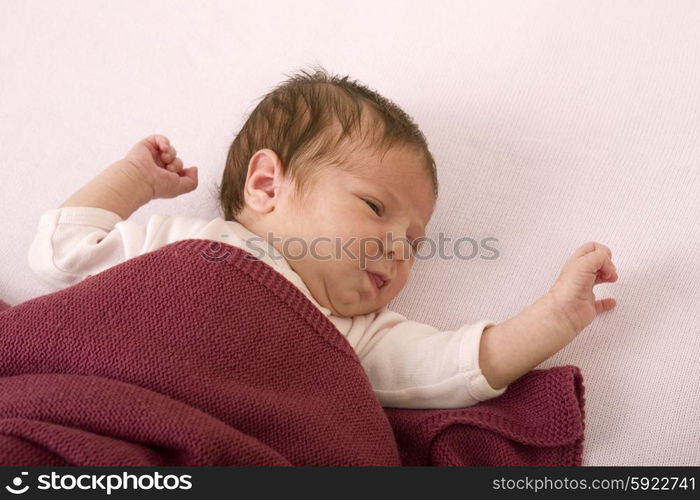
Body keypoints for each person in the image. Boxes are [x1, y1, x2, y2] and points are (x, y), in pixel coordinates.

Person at [27, 67, 618, 409]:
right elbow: (60, 252)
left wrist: (551, 320)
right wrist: (135, 181)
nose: (397, 247)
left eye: (414, 242)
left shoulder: (352, 333)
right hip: (90, 405)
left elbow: (451, 367)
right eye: (373, 207)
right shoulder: (176, 242)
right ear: (266, 184)